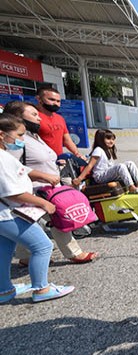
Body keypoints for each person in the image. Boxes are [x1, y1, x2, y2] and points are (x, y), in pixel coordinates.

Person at [3, 101, 98, 266]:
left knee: (31, 223)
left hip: (47, 188)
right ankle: (70, 256)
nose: (38, 118)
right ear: (17, 117)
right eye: (33, 114)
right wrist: (44, 175)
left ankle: (26, 256)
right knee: (56, 219)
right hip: (34, 190)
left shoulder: (33, 136)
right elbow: (11, 166)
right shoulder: (15, 140)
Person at [0, 113, 75, 303]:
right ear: (2, 135)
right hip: (10, 214)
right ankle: (41, 288)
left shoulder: (4, 156)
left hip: (4, 215)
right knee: (42, 246)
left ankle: (4, 290)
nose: (21, 140)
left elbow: (22, 171)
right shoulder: (1, 159)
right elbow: (10, 192)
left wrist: (43, 176)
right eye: (18, 135)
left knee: (5, 250)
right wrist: (43, 203)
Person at [72, 130, 138, 194]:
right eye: (108, 139)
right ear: (100, 139)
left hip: (106, 173)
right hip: (100, 176)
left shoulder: (108, 150)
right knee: (120, 166)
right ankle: (131, 187)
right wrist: (79, 179)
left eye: (113, 139)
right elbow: (90, 165)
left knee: (130, 163)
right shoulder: (98, 150)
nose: (111, 141)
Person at [35, 86, 87, 165]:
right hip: (40, 162)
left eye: (58, 101)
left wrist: (77, 154)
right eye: (51, 99)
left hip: (58, 160)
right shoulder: (33, 117)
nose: (55, 103)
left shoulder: (60, 118)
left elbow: (67, 140)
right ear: (39, 99)